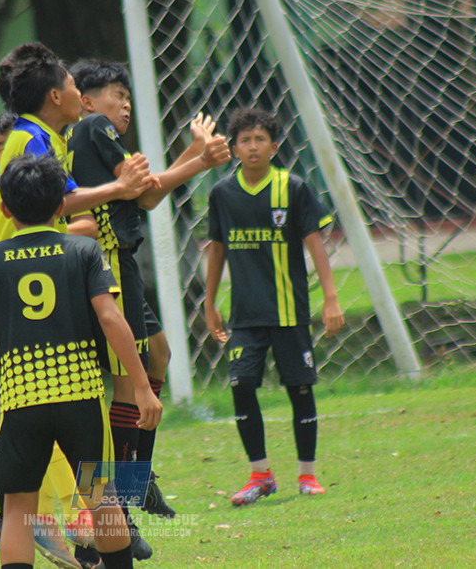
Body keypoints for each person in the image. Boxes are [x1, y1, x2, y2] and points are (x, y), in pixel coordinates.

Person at [0, 43, 157, 562]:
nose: (78, 91)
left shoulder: (43, 139)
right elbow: (58, 206)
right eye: (70, 82)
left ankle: (33, 516)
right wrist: (116, 187)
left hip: (11, 304)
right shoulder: (31, 141)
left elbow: (46, 208)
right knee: (94, 468)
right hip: (41, 328)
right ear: (54, 94)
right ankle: (79, 525)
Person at [66, 59, 231, 539]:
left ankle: (135, 483)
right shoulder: (94, 126)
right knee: (123, 383)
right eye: (116, 93)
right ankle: (113, 505)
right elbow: (148, 191)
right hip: (108, 262)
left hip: (121, 264)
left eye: (128, 95)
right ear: (87, 99)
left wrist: (194, 153)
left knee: (157, 354)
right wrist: (200, 159)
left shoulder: (95, 140)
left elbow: (147, 197)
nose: (124, 103)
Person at [202, 107, 345, 507]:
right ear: (233, 148)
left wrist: (330, 298)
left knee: (300, 389)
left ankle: (307, 474)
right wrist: (210, 302)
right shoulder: (222, 194)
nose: (252, 147)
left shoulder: (293, 187)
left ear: (274, 146)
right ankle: (260, 474)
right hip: (244, 316)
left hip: (288, 311)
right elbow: (216, 249)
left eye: (260, 139)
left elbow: (315, 242)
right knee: (241, 384)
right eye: (245, 140)